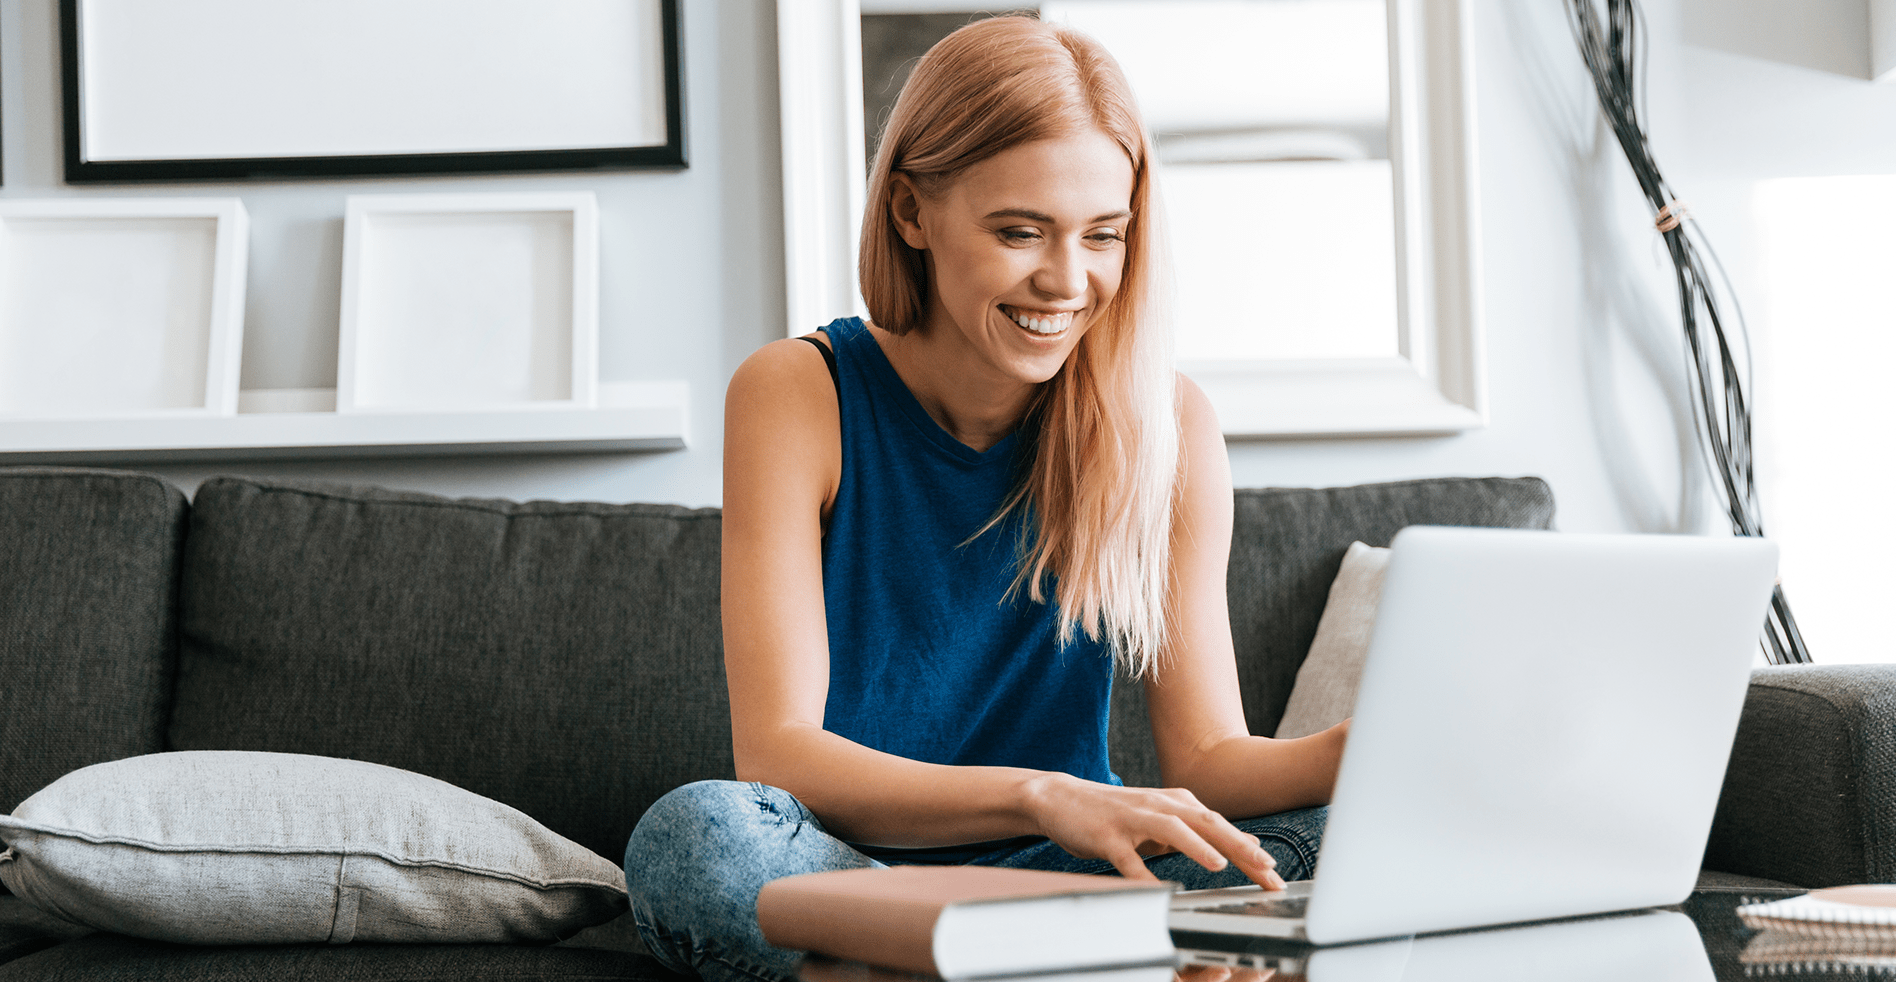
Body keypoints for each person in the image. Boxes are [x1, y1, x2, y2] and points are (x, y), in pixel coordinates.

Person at [624, 16, 1349, 982]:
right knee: (696, 836)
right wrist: (1044, 796)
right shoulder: (798, 394)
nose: (1066, 280)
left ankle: (942, 966)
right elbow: (781, 756)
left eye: (1104, 236)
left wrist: (1363, 748)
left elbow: (1211, 756)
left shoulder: (1167, 424)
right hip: (854, 868)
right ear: (911, 213)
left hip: (1070, 878)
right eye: (1019, 232)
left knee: (1339, 838)